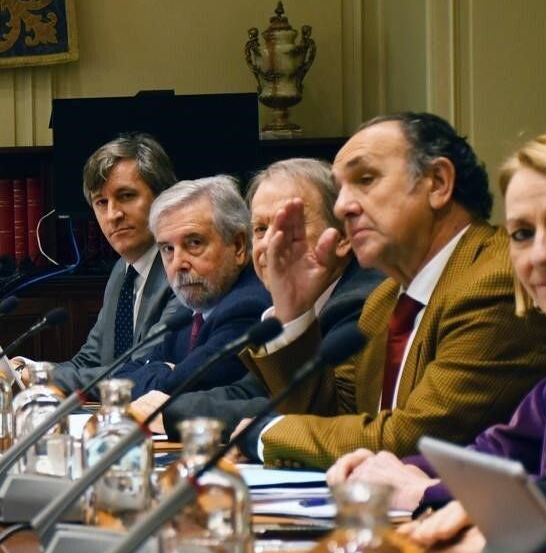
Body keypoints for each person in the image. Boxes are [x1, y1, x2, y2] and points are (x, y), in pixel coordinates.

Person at [241, 112, 546, 470]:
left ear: (438, 183)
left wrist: (266, 433)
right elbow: (334, 417)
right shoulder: (384, 301)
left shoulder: (496, 281)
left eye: (365, 179)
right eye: (340, 189)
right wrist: (294, 307)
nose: (342, 206)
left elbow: (412, 440)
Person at [321, 129, 546, 535]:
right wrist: (393, 469)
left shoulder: (485, 282)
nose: (541, 255)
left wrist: (427, 492)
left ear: (438, 184)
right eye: (523, 234)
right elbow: (503, 448)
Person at [142, 159, 381, 432]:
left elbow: (319, 416)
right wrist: (168, 410)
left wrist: (174, 414)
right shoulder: (290, 307)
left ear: (341, 237)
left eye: (288, 227)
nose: (269, 244)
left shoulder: (362, 303)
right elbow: (253, 392)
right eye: (261, 229)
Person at [47, 134, 181, 393]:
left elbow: (141, 371)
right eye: (101, 202)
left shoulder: (180, 269)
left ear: (163, 198)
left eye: (127, 196)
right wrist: (24, 372)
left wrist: (44, 379)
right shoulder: (122, 271)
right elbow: (90, 360)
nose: (113, 215)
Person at [119, 176, 269, 398]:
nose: (178, 264)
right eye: (168, 249)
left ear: (238, 246)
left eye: (194, 243)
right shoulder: (190, 312)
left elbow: (179, 387)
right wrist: (164, 370)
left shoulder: (249, 306)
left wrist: (161, 371)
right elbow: (121, 378)